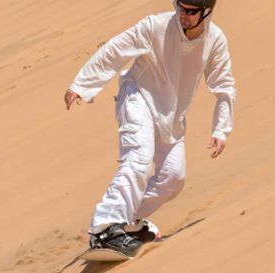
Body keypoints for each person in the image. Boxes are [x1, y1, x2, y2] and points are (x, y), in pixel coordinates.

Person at [64, 0, 236, 256]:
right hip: (138, 97)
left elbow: (224, 85)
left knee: (173, 178)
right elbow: (116, 49)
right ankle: (104, 228)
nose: (182, 15)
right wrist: (82, 84)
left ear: (206, 12)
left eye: (190, 11)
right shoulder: (156, 25)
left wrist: (221, 129)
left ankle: (129, 223)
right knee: (139, 159)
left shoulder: (215, 40)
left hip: (172, 114)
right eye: (180, 7)